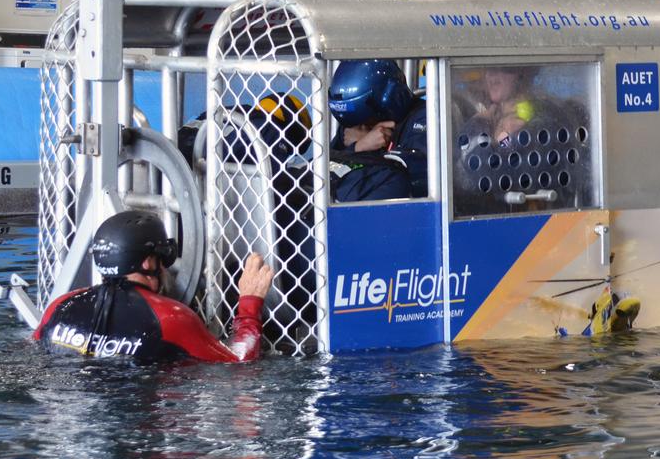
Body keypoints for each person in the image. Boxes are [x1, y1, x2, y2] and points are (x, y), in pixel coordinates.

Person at [34, 211, 274, 363]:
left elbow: (33, 347)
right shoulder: (170, 317)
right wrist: (250, 303)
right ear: (148, 262)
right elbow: (239, 361)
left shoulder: (60, 305)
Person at [329, 60, 428, 201]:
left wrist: (361, 147)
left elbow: (413, 179)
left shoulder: (425, 118)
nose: (359, 125)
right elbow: (329, 166)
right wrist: (358, 147)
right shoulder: (352, 121)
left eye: (365, 120)